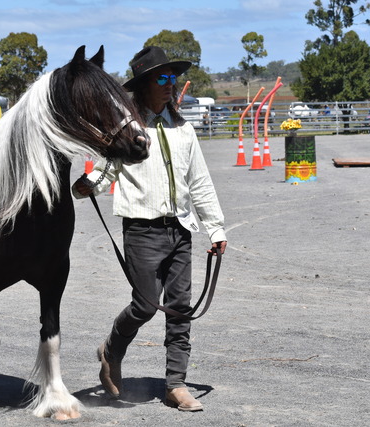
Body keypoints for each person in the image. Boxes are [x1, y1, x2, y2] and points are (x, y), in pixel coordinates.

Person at [72, 46, 227, 412]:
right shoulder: (129, 129)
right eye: (162, 77)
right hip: (142, 231)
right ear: (143, 85)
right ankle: (112, 351)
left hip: (180, 230)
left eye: (173, 77)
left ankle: (176, 384)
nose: (170, 83)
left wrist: (216, 228)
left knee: (180, 308)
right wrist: (86, 186)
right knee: (144, 306)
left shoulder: (183, 129)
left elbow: (199, 181)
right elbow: (107, 169)